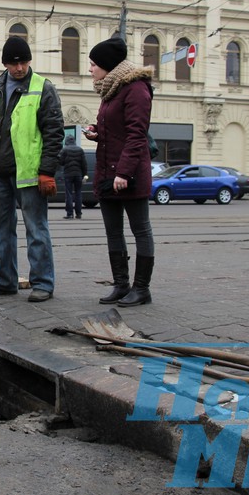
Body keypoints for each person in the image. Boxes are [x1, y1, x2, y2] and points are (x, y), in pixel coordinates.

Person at [0, 36, 65, 302]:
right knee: (0, 229)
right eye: (14, 63)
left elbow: (54, 133)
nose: (19, 68)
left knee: (36, 229)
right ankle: (3, 280)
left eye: (24, 62)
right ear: (4, 63)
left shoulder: (42, 88)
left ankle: (43, 283)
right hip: (0, 172)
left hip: (29, 173)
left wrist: (47, 171)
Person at [82, 37, 155, 307]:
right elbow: (116, 131)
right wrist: (97, 133)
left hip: (128, 175)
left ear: (108, 65)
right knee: (113, 232)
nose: (90, 69)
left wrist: (123, 173)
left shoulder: (136, 89)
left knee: (140, 230)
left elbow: (137, 135)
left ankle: (142, 288)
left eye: (93, 64)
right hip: (107, 173)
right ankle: (121, 285)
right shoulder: (110, 90)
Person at [58, 135, 88, 220]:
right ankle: (79, 214)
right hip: (78, 174)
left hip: (68, 174)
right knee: (78, 193)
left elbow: (61, 162)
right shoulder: (80, 150)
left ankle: (69, 214)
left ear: (66, 141)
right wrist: (84, 175)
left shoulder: (64, 150)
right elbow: (84, 164)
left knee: (69, 194)